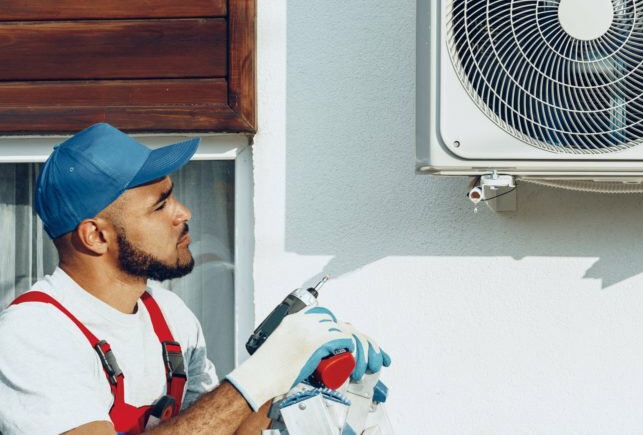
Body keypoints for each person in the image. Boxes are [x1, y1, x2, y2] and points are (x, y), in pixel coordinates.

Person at [0, 123, 389, 434]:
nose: (183, 212)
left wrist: (296, 384)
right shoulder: (31, 334)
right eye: (160, 205)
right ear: (96, 236)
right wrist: (258, 375)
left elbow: (223, 428)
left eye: (174, 196)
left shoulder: (169, 315)